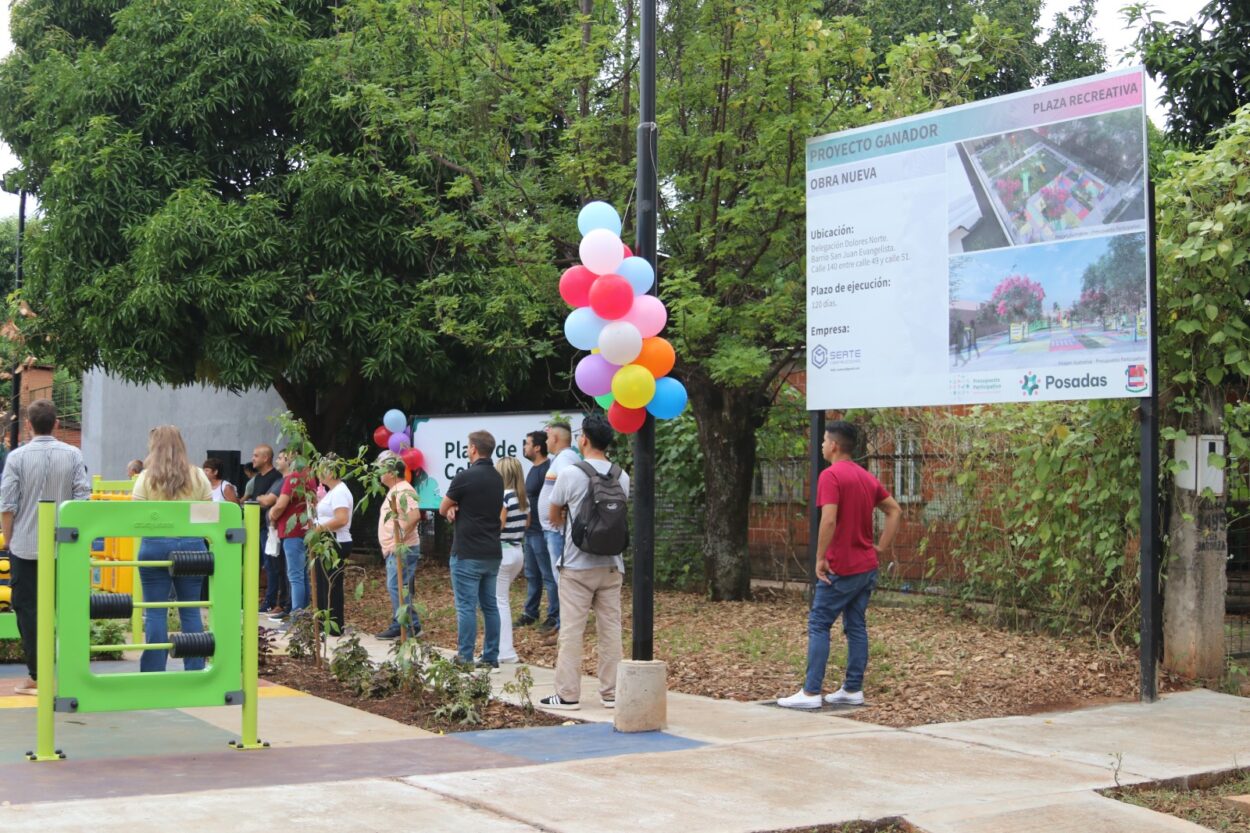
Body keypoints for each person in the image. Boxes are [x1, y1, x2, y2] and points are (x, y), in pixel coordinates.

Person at [778, 420, 902, 709]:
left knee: (819, 623)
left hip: (841, 568)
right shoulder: (865, 477)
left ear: (833, 445)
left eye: (823, 441)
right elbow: (895, 510)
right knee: (856, 625)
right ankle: (852, 689)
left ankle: (810, 693)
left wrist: (820, 558)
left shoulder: (831, 476)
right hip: (866, 566)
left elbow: (829, 519)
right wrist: (881, 546)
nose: (821, 445)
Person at [540, 412, 629, 710]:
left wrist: (569, 515)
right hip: (612, 564)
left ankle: (567, 695)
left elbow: (553, 516)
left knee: (571, 631)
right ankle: (612, 693)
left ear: (584, 440)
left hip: (577, 566)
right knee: (611, 630)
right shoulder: (621, 475)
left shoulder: (571, 473)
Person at [0, 400, 90, 695]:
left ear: (28, 424)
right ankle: (72, 673)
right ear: (57, 424)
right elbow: (82, 499)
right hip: (65, 546)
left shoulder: (16, 457)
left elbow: (7, 505)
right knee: (69, 608)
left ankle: (38, 675)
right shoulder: (74, 454)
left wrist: (9, 539)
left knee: (28, 611)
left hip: (26, 546)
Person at [131, 425, 214, 673]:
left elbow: (137, 516)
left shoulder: (145, 477)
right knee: (190, 610)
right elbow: (209, 515)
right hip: (191, 547)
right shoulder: (199, 475)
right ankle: (195, 666)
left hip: (155, 545)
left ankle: (154, 670)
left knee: (155, 611)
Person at [439, 430, 503, 669]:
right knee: (490, 606)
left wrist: (452, 508)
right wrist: (457, 507)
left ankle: (465, 657)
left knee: (466, 607)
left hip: (467, 552)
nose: (467, 450)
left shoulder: (465, 477)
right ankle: (490, 656)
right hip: (492, 551)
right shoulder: (497, 478)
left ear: (474, 449)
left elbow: (442, 507)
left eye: (467, 447)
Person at [536, 419, 580, 641]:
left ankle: (566, 627)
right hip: (553, 530)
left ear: (555, 438)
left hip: (557, 531)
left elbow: (570, 485)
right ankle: (563, 623)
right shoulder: (564, 458)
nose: (545, 441)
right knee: (558, 577)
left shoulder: (564, 460)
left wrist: (560, 511)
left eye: (547, 437)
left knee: (562, 578)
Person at [374, 451, 423, 640]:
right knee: (398, 586)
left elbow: (415, 516)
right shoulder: (396, 489)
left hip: (403, 548)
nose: (380, 473)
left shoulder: (404, 490)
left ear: (393, 472)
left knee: (396, 586)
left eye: (383, 469)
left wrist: (398, 541)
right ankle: (408, 624)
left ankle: (405, 625)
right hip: (395, 549)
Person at [269, 448, 316, 621]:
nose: (280, 460)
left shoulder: (292, 478)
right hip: (304, 529)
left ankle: (297, 616)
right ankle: (303, 612)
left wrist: (271, 515)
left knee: (295, 575)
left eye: (283, 457)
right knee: (302, 575)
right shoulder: (309, 476)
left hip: (292, 531)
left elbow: (281, 505)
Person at [517, 430, 557, 632]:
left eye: (527, 443)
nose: (524, 447)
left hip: (542, 532)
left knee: (548, 575)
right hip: (531, 531)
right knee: (532, 575)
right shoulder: (533, 469)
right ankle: (531, 612)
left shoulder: (546, 469)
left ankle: (554, 615)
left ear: (537, 447)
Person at [311, 457, 352, 635]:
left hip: (335, 541)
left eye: (321, 469)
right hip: (325, 541)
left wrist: (318, 529)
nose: (318, 473)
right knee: (322, 584)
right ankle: (324, 623)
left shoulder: (340, 492)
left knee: (331, 585)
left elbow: (342, 519)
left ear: (331, 472)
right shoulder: (332, 491)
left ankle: (334, 626)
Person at [495, 456, 528, 664]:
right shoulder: (523, 498)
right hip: (517, 550)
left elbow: (498, 524)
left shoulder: (504, 496)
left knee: (499, 602)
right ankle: (502, 648)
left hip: (503, 551)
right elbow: (527, 524)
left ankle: (504, 650)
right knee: (502, 600)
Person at [250, 445, 286, 615]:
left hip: (269, 529)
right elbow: (259, 499)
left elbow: (267, 501)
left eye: (256, 455)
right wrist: (260, 498)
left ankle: (271, 601)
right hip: (255, 526)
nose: (253, 459)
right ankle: (253, 597)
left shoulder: (277, 477)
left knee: (271, 566)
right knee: (254, 564)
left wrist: (261, 499)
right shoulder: (257, 478)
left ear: (266, 458)